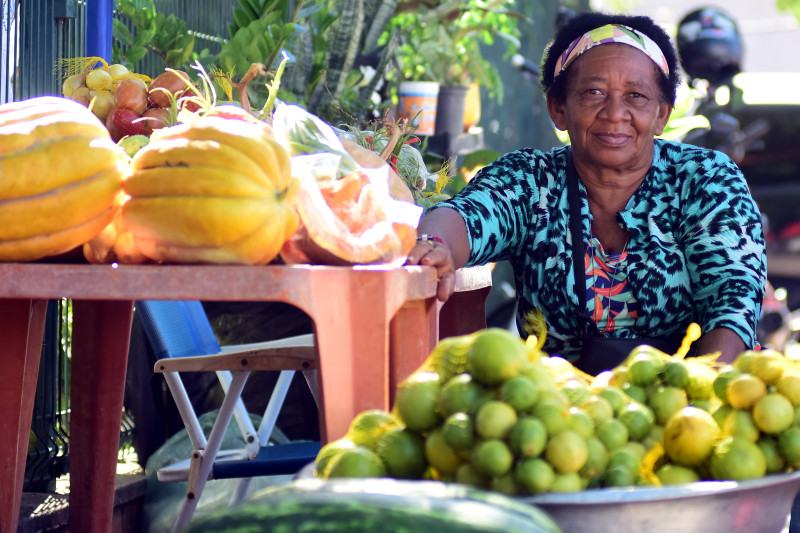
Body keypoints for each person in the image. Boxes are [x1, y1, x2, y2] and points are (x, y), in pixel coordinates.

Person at [405, 12, 767, 374]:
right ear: (558, 108)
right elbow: (469, 215)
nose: (614, 113)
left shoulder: (705, 179)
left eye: (636, 96)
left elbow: (733, 300)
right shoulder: (532, 181)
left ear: (661, 114)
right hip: (555, 414)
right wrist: (435, 243)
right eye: (594, 92)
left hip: (685, 412)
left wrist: (703, 398)